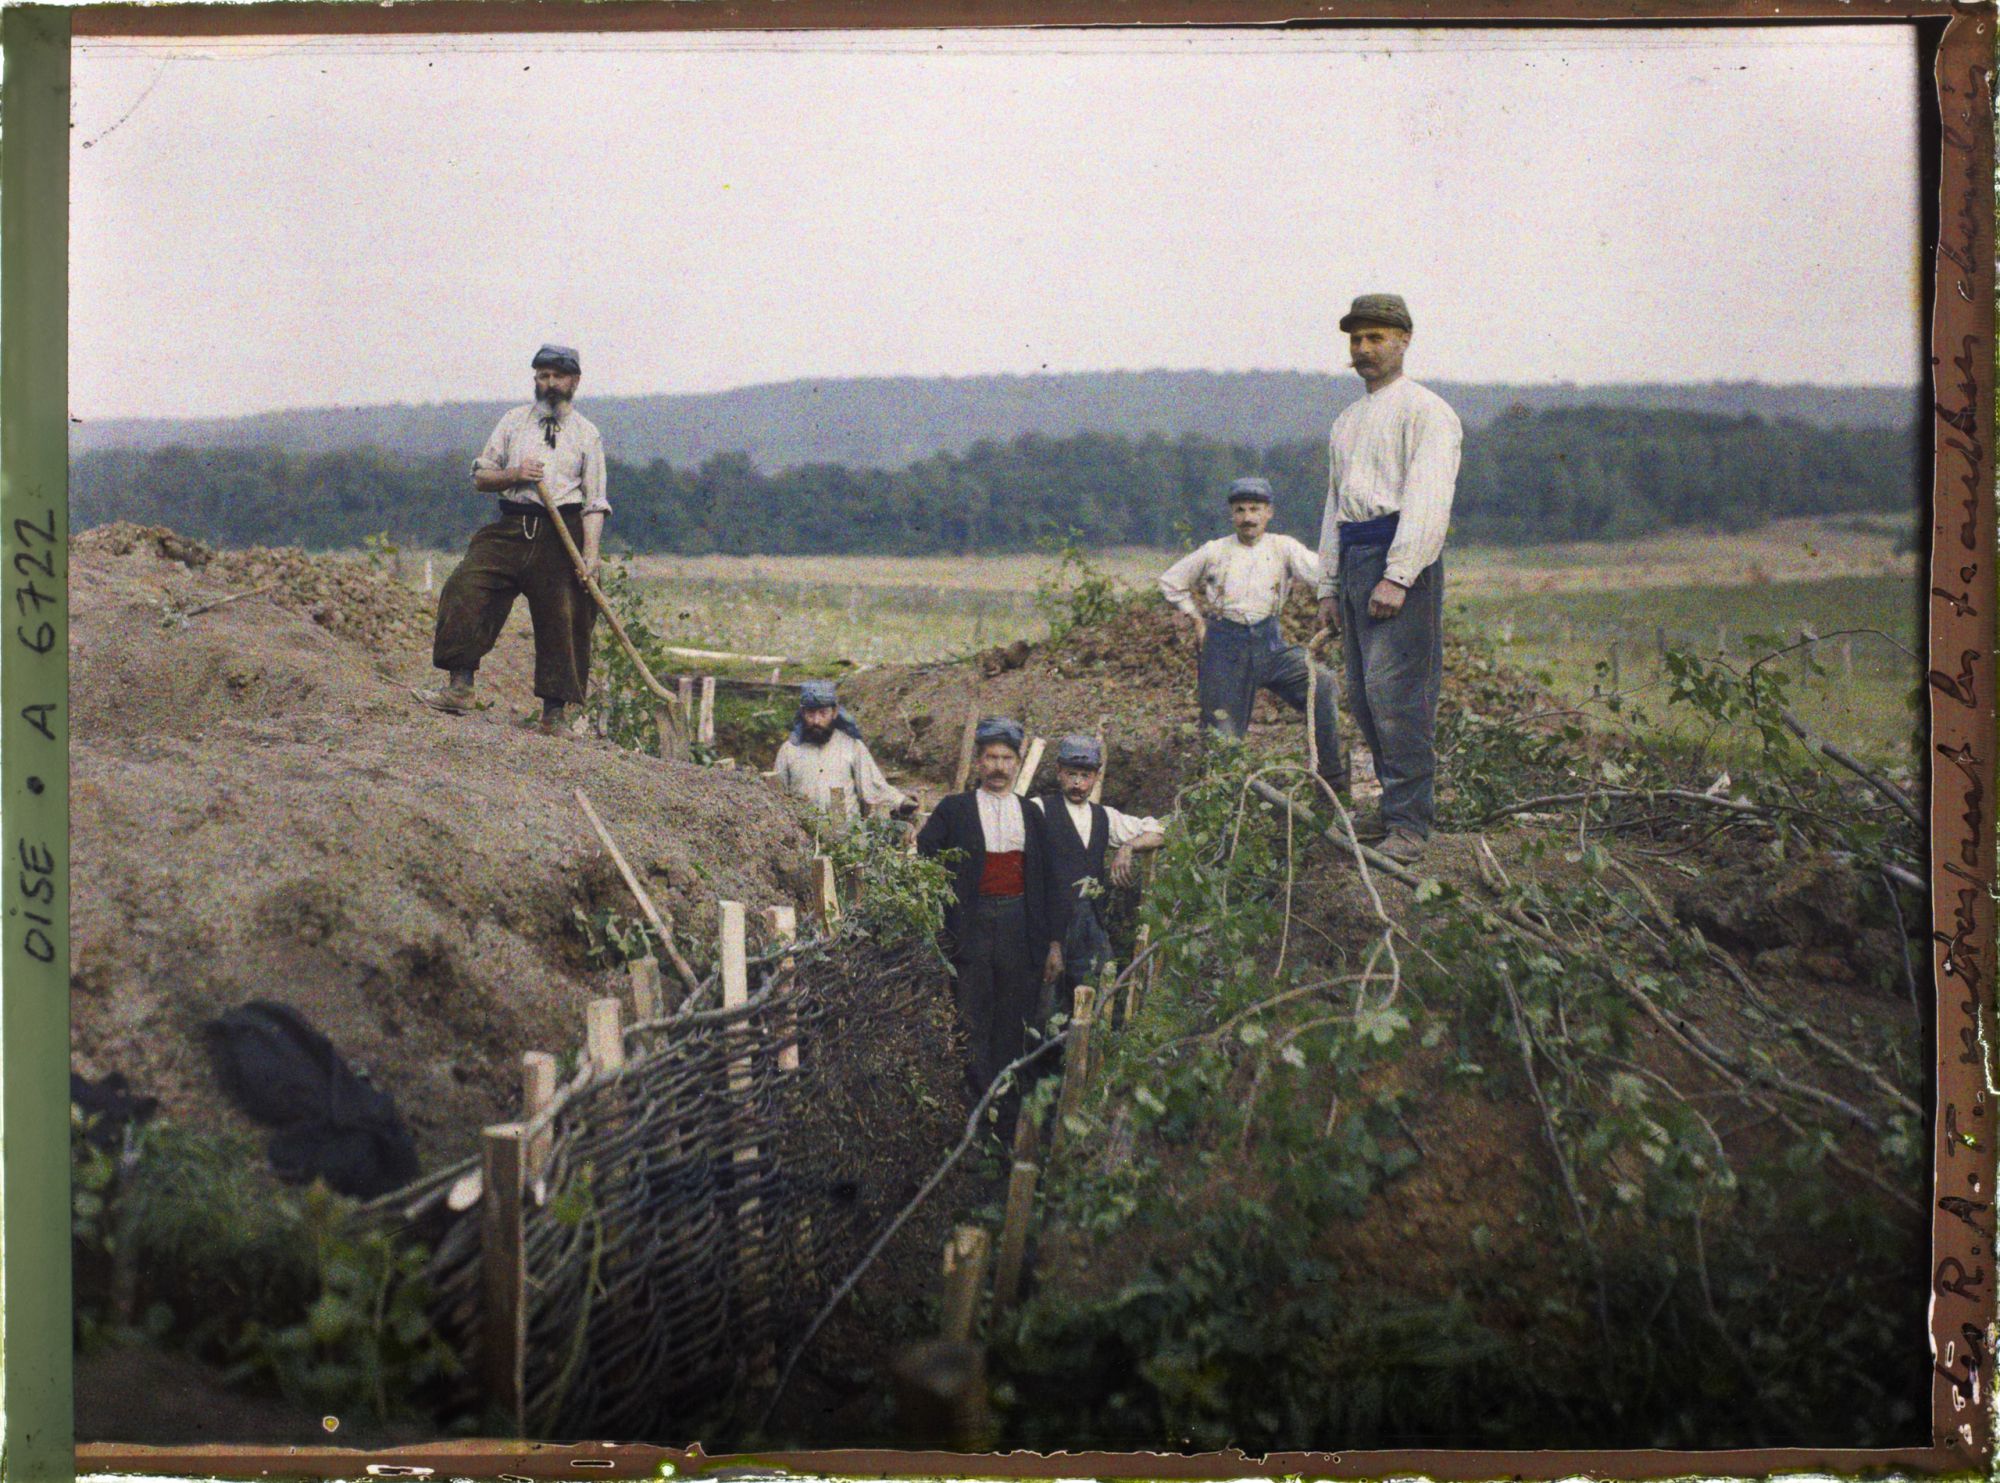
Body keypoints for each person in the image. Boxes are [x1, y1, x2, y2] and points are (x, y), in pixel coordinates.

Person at [1314, 294, 1463, 864]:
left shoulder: (1427, 412)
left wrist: (1399, 575)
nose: (1363, 350)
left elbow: (1428, 500)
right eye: (1356, 340)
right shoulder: (1346, 422)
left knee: (1397, 694)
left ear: (1404, 340)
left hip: (1401, 562)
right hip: (1354, 561)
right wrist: (1328, 585)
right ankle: (1390, 809)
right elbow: (1335, 507)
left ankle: (1410, 823)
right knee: (1363, 695)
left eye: (1376, 338)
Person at [419, 343, 610, 735]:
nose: (549, 384)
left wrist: (590, 556)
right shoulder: (512, 423)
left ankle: (553, 716)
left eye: (557, 377)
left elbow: (594, 503)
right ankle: (459, 688)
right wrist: (516, 473)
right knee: (465, 585)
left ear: (574, 381)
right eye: (542, 376)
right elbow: (481, 477)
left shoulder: (587, 435)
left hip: (562, 532)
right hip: (511, 526)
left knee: (567, 612)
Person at [1157, 476, 1348, 794]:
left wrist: (1344, 595)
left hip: (1270, 644)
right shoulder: (1215, 551)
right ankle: (1224, 804)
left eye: (1255, 509)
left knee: (1323, 684)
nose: (1248, 518)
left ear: (1268, 513)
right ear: (1232, 514)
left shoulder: (1283, 547)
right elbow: (1170, 582)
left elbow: (1323, 575)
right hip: (1224, 648)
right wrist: (1195, 618)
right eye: (1241, 510)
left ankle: (1331, 781)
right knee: (1223, 738)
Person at [915, 718, 1054, 1107]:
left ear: (1018, 763)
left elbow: (1047, 880)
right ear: (977, 763)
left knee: (1013, 1013)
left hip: (1018, 924)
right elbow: (926, 855)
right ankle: (977, 1100)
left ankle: (1007, 1101)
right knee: (972, 1012)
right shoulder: (955, 809)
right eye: (990, 757)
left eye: (1006, 758)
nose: (998, 766)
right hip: (971, 924)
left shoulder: (1031, 813)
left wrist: (1051, 941)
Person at [1030, 735, 1167, 999]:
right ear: (1059, 772)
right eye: (1071, 774)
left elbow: (1159, 831)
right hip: (1048, 919)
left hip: (1089, 920)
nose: (1078, 783)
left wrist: (1128, 847)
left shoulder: (1105, 817)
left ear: (1096, 777)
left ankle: (1095, 1037)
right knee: (1046, 998)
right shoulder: (1039, 809)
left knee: (1099, 989)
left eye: (1085, 775)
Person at [771, 679, 916, 820]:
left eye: (822, 713)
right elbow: (776, 795)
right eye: (811, 713)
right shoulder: (789, 750)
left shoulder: (851, 745)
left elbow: (873, 784)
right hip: (803, 834)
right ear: (803, 713)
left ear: (834, 712)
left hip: (846, 834)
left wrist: (900, 801)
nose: (816, 721)